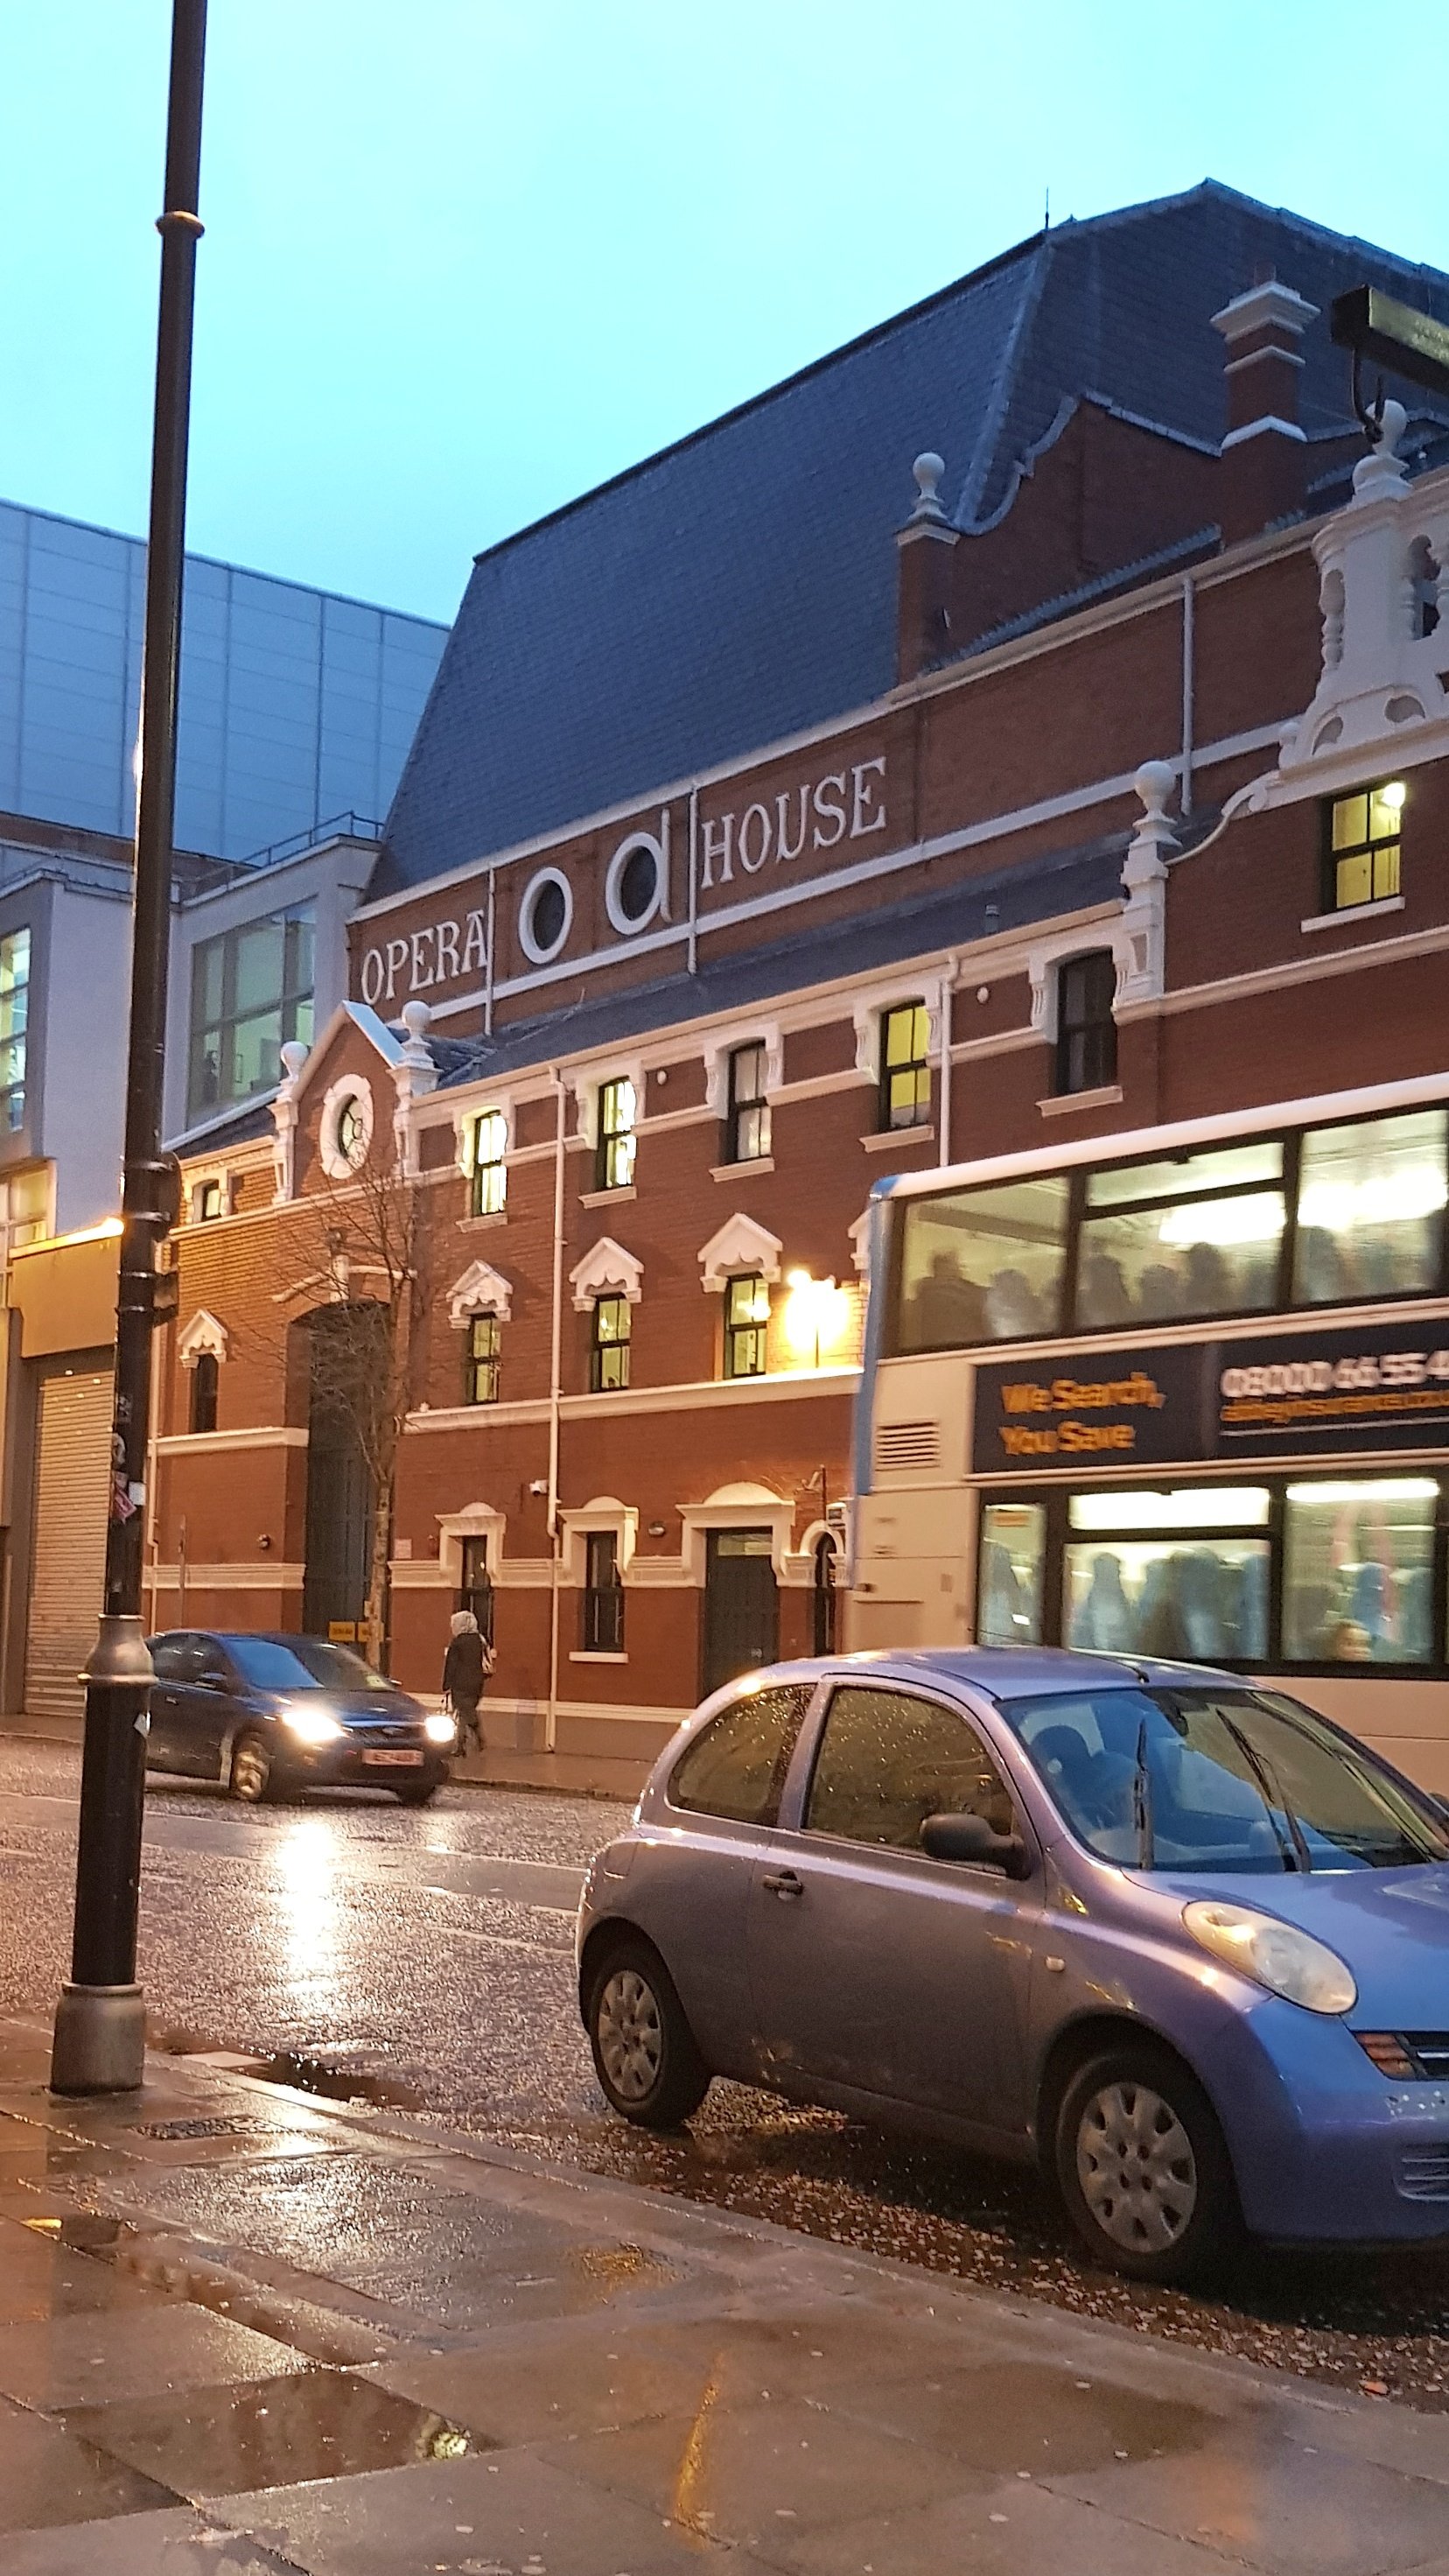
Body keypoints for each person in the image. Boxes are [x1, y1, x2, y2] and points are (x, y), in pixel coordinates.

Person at [443, 1610, 492, 1754]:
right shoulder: (479, 1640)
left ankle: (478, 1736)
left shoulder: (457, 1642)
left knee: (465, 1712)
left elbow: (451, 1665)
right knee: (463, 1713)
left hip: (460, 1683)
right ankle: (460, 1745)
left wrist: (446, 1684)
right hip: (477, 1683)